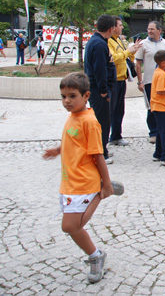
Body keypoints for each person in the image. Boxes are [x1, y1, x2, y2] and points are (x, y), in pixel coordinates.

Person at [42, 72, 123, 284]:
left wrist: (104, 183)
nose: (67, 101)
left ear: (86, 95)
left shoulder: (89, 121)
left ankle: (103, 192)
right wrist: (58, 150)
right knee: (71, 226)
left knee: (70, 226)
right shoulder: (72, 117)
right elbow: (73, 140)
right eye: (63, 96)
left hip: (85, 182)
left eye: (72, 96)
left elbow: (98, 155)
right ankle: (95, 255)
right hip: (70, 181)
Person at [135, 22, 165, 143]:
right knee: (151, 108)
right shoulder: (143, 44)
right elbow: (138, 64)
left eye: (152, 29)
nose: (149, 31)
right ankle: (154, 132)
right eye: (148, 29)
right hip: (150, 80)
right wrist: (140, 81)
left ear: (159, 30)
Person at [84, 15, 117, 165]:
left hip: (98, 88)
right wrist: (103, 89)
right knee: (102, 121)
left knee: (102, 120)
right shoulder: (99, 44)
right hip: (98, 90)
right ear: (111, 29)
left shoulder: (97, 41)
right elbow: (100, 69)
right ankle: (100, 152)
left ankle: (101, 149)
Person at [107, 17, 142, 147]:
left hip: (122, 79)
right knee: (110, 110)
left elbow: (126, 57)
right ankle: (106, 138)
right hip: (113, 80)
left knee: (119, 110)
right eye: (120, 25)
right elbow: (113, 58)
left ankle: (116, 135)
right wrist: (128, 52)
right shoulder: (108, 41)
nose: (122, 27)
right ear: (113, 27)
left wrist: (133, 51)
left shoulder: (119, 41)